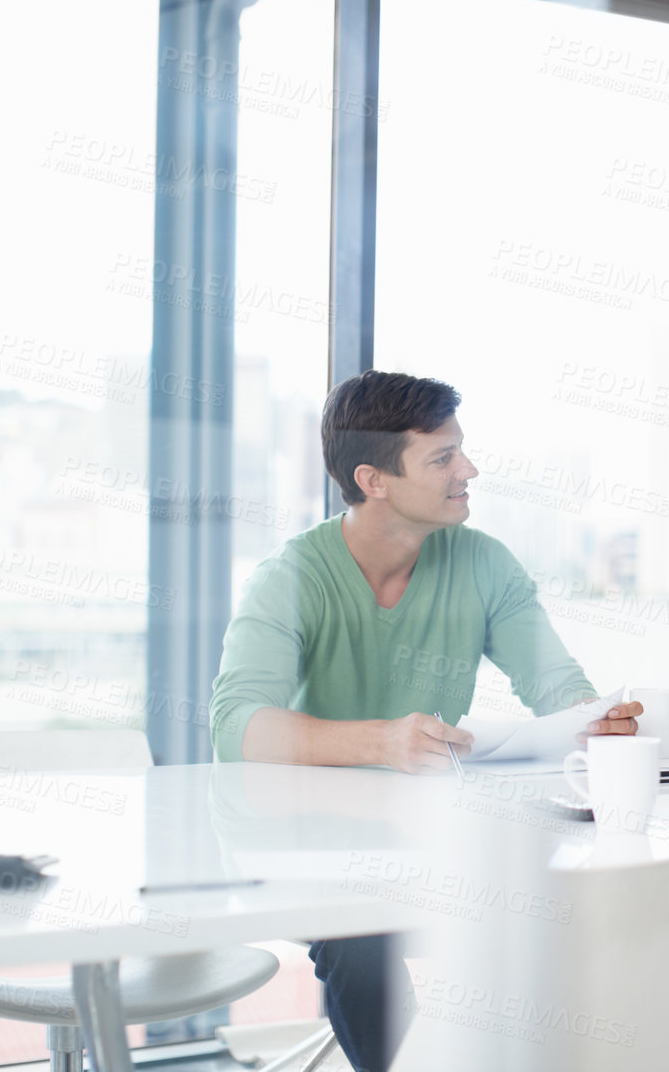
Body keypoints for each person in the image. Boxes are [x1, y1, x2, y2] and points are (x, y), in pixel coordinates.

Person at [209, 369, 641, 1072]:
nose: (468, 469)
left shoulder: (483, 563)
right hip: (308, 857)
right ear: (373, 479)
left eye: (460, 450)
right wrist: (382, 739)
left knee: (561, 914)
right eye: (442, 458)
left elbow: (556, 686)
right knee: (360, 936)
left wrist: (592, 721)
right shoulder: (291, 577)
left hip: (438, 849)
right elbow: (234, 725)